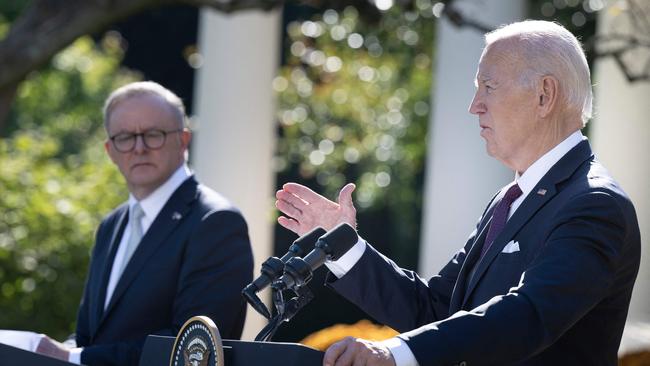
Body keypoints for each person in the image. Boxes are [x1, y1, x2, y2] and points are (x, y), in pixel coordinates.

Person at [275, 20, 641, 365]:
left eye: (489, 86)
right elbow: (436, 311)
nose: (474, 105)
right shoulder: (510, 199)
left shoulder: (594, 204)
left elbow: (529, 315)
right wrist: (344, 245)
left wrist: (395, 354)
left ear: (545, 95)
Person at [36, 81, 254, 365]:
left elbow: (193, 348)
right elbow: (91, 336)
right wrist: (52, 352)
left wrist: (76, 357)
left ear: (183, 140)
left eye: (153, 134)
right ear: (110, 150)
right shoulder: (111, 226)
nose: (138, 148)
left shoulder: (216, 222)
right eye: (125, 137)